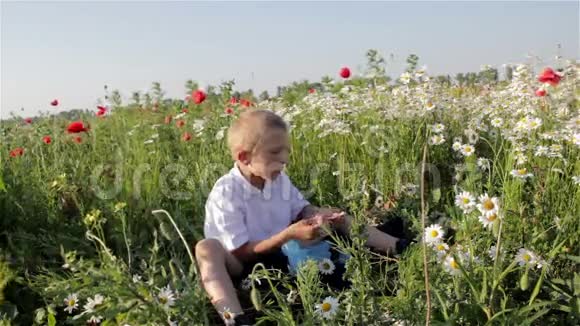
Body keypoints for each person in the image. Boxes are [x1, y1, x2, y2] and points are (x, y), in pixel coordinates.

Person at [195, 109, 405, 325]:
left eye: (286, 151)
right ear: (244, 157)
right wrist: (287, 235)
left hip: (285, 253)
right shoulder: (227, 192)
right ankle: (235, 318)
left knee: (335, 213)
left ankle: (400, 247)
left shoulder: (278, 179)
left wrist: (317, 214)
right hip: (244, 266)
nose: (284, 159)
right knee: (207, 248)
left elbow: (300, 208)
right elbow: (242, 251)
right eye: (275, 152)